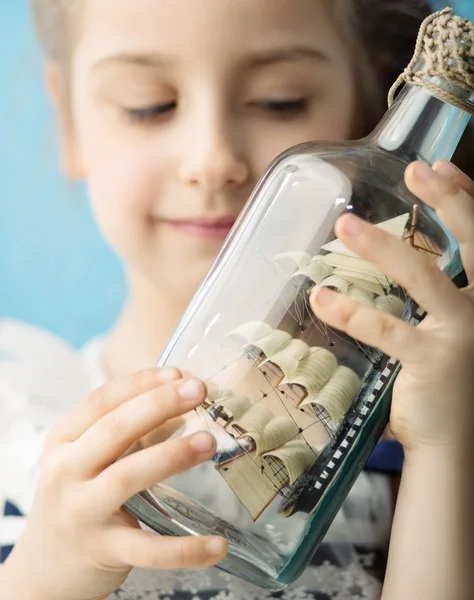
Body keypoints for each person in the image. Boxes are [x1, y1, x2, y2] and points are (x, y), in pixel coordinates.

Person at [1, 0, 473, 598]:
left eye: (280, 101)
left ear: (366, 100)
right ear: (68, 118)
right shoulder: (13, 426)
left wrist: (444, 447)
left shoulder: (415, 449)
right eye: (149, 105)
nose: (213, 161)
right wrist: (48, 568)